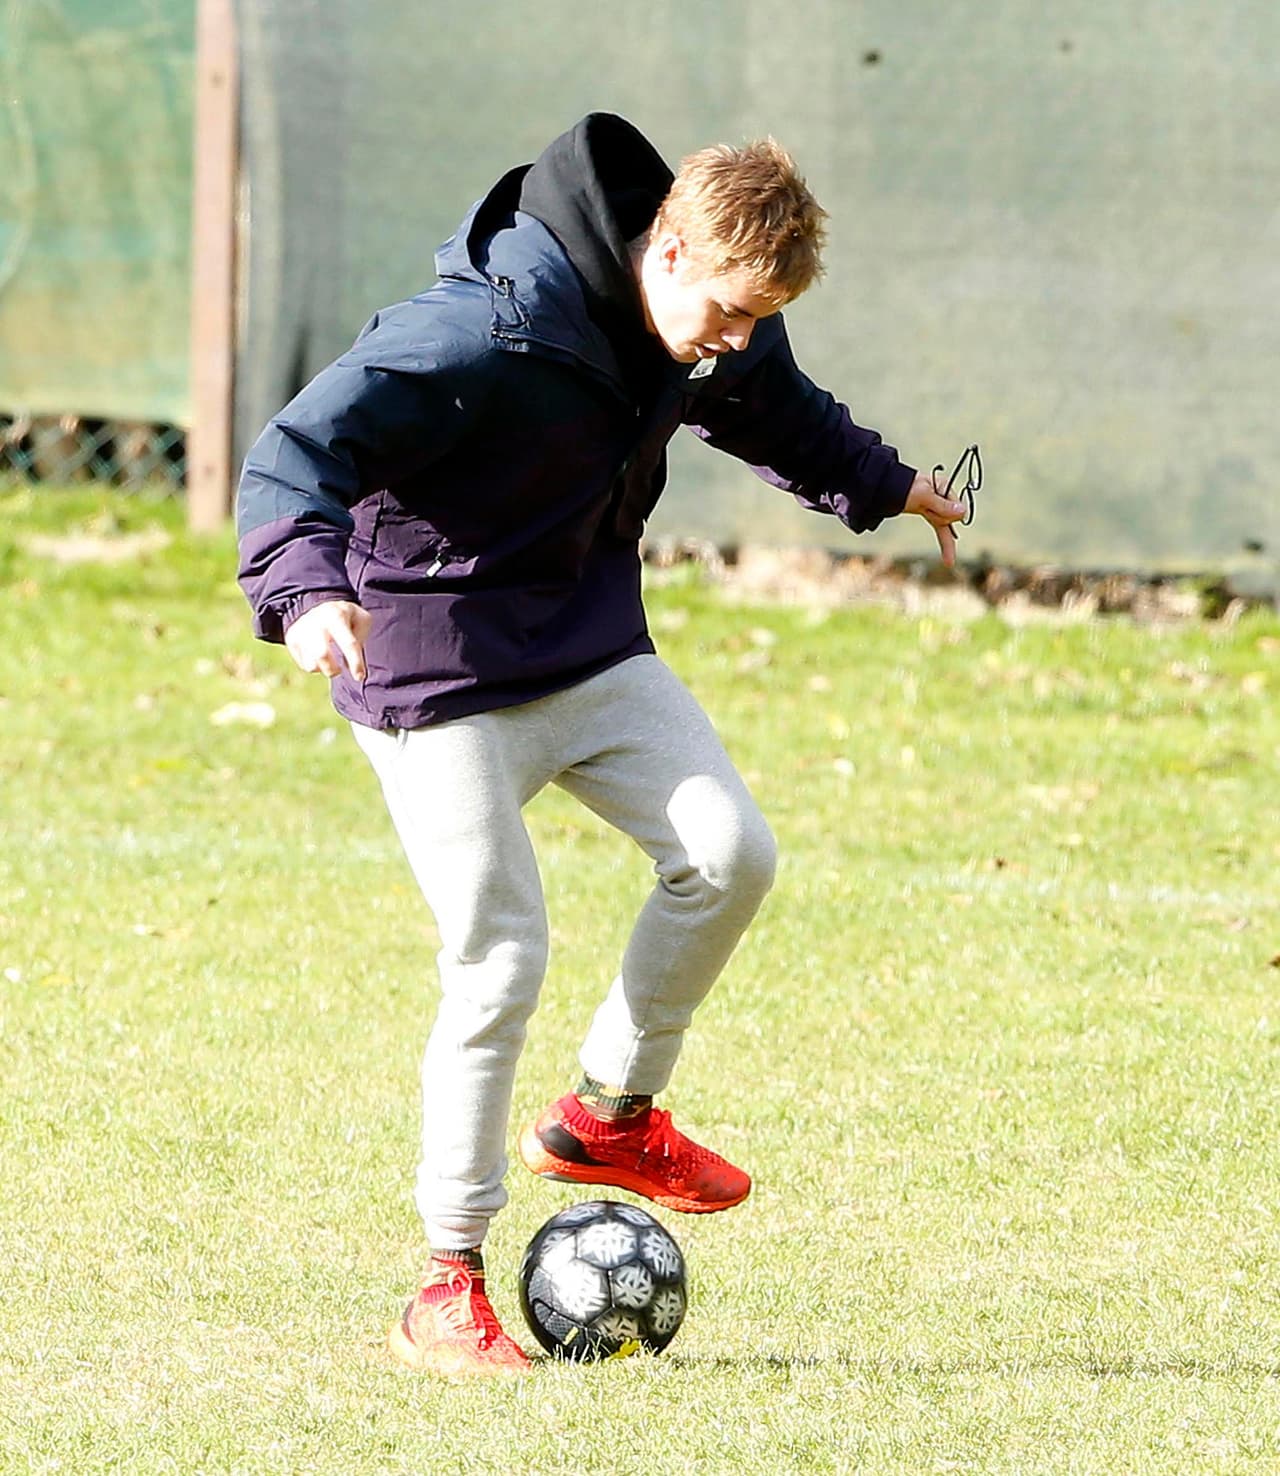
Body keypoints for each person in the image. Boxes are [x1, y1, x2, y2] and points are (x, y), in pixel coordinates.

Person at [236, 112, 967, 1378]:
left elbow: (769, 406)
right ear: (666, 249)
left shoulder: (709, 320)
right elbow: (299, 446)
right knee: (501, 954)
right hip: (431, 669)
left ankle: (604, 1117)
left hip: (581, 645)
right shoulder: (481, 331)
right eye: (728, 312)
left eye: (758, 318)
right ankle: (444, 1282)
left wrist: (881, 482)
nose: (733, 341)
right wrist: (305, 592)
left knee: (730, 855)